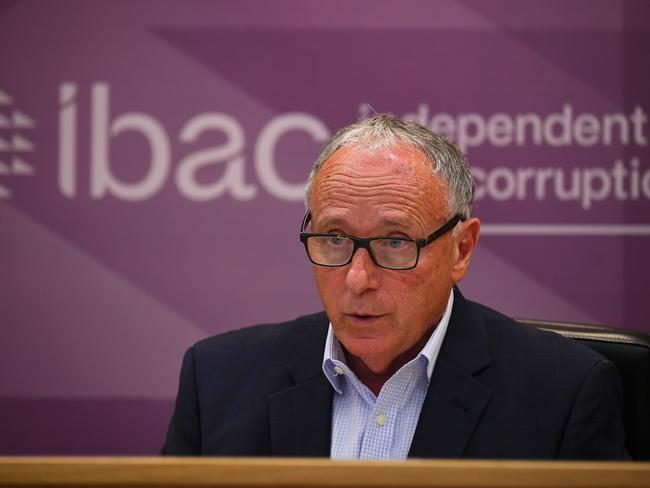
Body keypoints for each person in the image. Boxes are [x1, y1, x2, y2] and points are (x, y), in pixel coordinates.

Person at [162, 115, 626, 459]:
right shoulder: (218, 379)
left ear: (461, 249)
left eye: (395, 242)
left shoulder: (564, 392)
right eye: (335, 238)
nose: (358, 279)